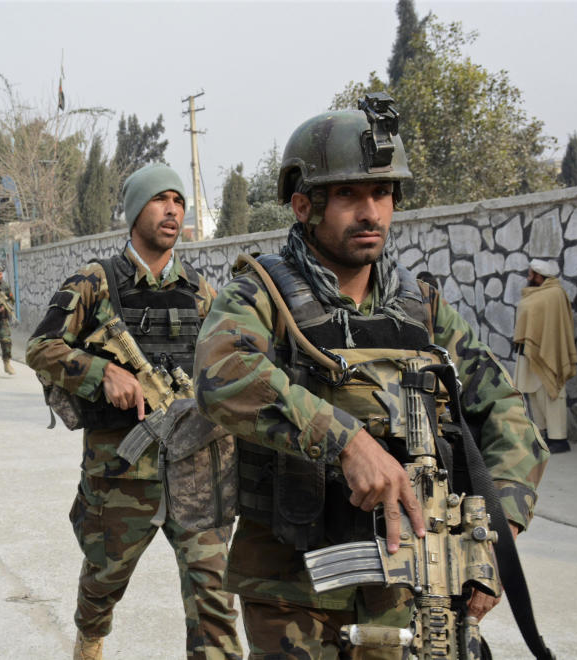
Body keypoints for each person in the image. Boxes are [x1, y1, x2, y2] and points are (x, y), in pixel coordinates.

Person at [192, 97, 548, 658]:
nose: (371, 213)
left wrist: (494, 539)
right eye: (349, 195)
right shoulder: (260, 293)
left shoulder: (423, 307)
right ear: (304, 205)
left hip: (412, 586)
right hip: (295, 588)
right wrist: (346, 440)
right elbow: (221, 374)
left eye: (381, 194)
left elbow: (506, 415)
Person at [27, 163, 241, 660]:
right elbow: (41, 348)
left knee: (214, 598)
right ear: (134, 210)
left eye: (180, 202)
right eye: (160, 199)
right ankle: (90, 636)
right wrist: (104, 375)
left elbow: (228, 367)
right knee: (105, 578)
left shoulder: (201, 292)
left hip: (194, 470)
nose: (172, 210)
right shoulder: (96, 282)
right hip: (122, 471)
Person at [513, 259, 577, 454]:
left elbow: (553, 326)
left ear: (539, 276)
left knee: (551, 394)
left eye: (531, 274)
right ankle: (543, 433)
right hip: (529, 352)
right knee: (534, 394)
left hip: (549, 352)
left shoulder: (555, 294)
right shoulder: (535, 294)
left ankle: (558, 438)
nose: (528, 277)